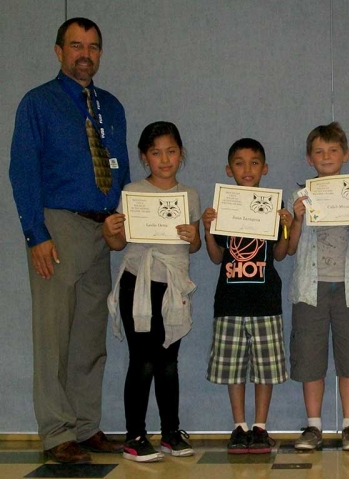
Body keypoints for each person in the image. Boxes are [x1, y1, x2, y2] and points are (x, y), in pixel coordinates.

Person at [9, 17, 129, 464]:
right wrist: (36, 236)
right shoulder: (38, 103)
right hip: (57, 227)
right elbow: (22, 171)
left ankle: (84, 425)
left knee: (89, 336)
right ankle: (57, 432)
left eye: (93, 46)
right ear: (59, 52)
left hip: (103, 228)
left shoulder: (112, 107)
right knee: (54, 335)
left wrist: (124, 221)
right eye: (76, 45)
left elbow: (122, 175)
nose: (85, 54)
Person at [103, 121, 201, 462]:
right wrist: (110, 230)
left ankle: (171, 433)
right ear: (145, 157)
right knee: (143, 361)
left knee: (168, 362)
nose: (164, 159)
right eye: (156, 153)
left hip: (173, 287)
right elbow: (117, 243)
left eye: (171, 151)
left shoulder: (188, 195)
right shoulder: (132, 192)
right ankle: (135, 435)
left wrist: (194, 235)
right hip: (137, 283)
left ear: (181, 154)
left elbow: (195, 245)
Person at [288, 122, 349, 452]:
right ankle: (313, 426)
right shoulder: (300, 197)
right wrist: (296, 218)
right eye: (318, 151)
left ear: (346, 155)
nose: (326, 156)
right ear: (309, 159)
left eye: (332, 150)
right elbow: (289, 247)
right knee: (310, 357)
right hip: (309, 288)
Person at [203, 138, 292, 454]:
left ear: (264, 169)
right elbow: (216, 258)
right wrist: (207, 229)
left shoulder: (274, 206)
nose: (247, 168)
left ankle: (260, 427)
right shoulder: (222, 208)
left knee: (265, 369)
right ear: (229, 170)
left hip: (266, 301)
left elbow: (281, 254)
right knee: (233, 369)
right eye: (239, 163)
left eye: (254, 162)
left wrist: (287, 226)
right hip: (229, 301)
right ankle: (239, 427)